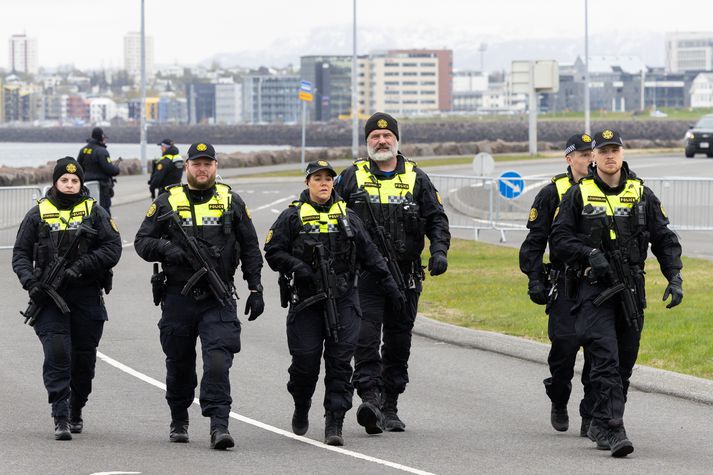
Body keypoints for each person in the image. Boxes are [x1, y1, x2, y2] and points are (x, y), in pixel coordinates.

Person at [550, 129, 683, 457]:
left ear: (622, 154)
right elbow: (560, 239)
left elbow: (663, 238)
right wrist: (587, 253)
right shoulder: (579, 194)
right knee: (605, 358)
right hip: (593, 291)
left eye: (615, 150)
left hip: (631, 291)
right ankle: (613, 427)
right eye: (603, 150)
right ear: (593, 156)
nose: (610, 156)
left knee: (624, 361)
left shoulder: (641, 193)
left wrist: (674, 277)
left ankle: (598, 419)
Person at [134, 142, 264, 451]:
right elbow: (142, 241)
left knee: (218, 361)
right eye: (196, 163)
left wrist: (256, 287)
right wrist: (169, 250)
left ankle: (219, 424)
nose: (202, 168)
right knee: (179, 363)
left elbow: (250, 248)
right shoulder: (167, 202)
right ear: (187, 167)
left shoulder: (232, 201)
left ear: (216, 167)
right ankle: (179, 418)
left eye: (207, 163)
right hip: (178, 296)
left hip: (217, 297)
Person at [264, 160, 402, 446]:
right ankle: (301, 404)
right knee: (305, 364)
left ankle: (334, 421)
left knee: (340, 364)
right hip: (306, 303)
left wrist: (392, 287)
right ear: (308, 183)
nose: (323, 183)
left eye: (328, 179)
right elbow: (273, 251)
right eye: (317, 179)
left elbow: (371, 255)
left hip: (343, 301)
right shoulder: (292, 217)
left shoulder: (349, 218)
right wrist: (296, 266)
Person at [334, 112, 450, 434]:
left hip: (405, 276)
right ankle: (369, 398)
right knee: (366, 339)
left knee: (399, 343)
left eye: (387, 137)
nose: (381, 141)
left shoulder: (417, 178)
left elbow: (437, 219)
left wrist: (439, 252)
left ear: (396, 141)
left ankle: (390, 405)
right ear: (367, 141)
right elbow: (331, 216)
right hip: (365, 277)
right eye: (374, 137)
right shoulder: (351, 177)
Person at [12, 157, 122, 441]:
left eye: (75, 181)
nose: (70, 184)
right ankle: (59, 415)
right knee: (58, 354)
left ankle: (76, 408)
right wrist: (31, 283)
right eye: (65, 180)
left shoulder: (95, 213)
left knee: (83, 360)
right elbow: (20, 254)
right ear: (55, 182)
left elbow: (112, 248)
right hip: (50, 298)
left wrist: (82, 266)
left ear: (81, 183)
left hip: (86, 295)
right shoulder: (37, 213)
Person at [518, 134, 595, 436]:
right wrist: (535, 279)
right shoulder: (553, 192)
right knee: (563, 350)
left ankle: (590, 415)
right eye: (583, 154)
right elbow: (534, 242)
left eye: (593, 153)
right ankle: (559, 397)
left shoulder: (604, 189)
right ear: (569, 159)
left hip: (600, 286)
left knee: (598, 352)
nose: (589, 159)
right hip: (566, 284)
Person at [77, 127, 120, 216]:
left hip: (86, 186)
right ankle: (107, 228)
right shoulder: (101, 151)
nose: (105, 140)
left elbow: (78, 168)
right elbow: (110, 169)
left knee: (88, 209)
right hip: (101, 187)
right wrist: (117, 169)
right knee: (104, 210)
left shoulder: (83, 150)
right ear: (101, 137)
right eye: (104, 138)